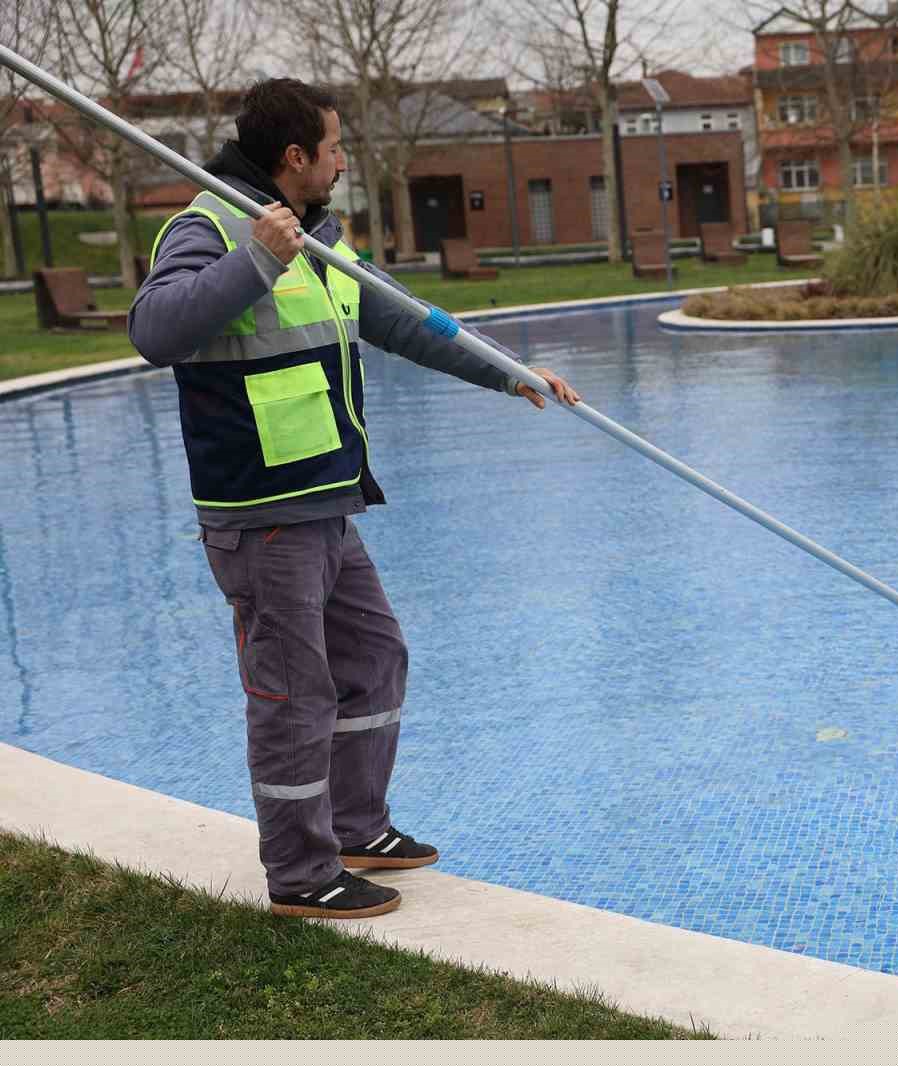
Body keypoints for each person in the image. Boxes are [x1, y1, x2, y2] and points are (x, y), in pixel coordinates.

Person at [127, 78, 580, 920]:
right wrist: (258, 259)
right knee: (294, 694)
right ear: (296, 155)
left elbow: (405, 320)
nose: (343, 162)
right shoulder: (211, 227)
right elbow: (154, 332)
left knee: (374, 658)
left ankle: (355, 827)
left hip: (325, 501)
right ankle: (302, 873)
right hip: (263, 514)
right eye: (334, 148)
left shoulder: (318, 234)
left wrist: (507, 371)